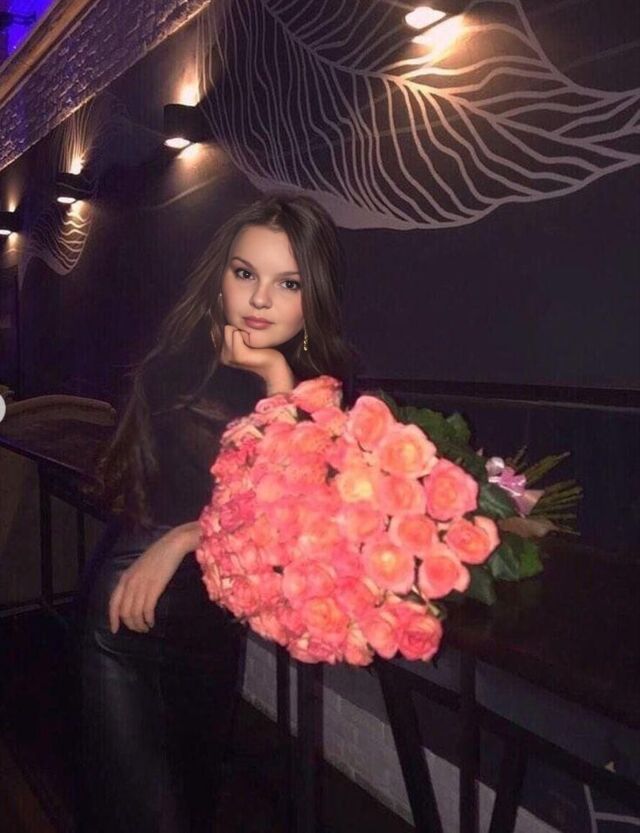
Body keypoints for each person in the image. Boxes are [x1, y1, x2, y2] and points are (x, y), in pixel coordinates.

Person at [78, 193, 356, 833]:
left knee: (195, 802)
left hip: (207, 619)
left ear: (313, 296)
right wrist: (182, 533)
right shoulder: (180, 367)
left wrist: (276, 375)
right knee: (146, 815)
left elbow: (296, 520)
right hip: (132, 608)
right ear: (221, 276)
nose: (260, 299)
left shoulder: (317, 385)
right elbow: (253, 501)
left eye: (288, 283)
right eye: (245, 273)